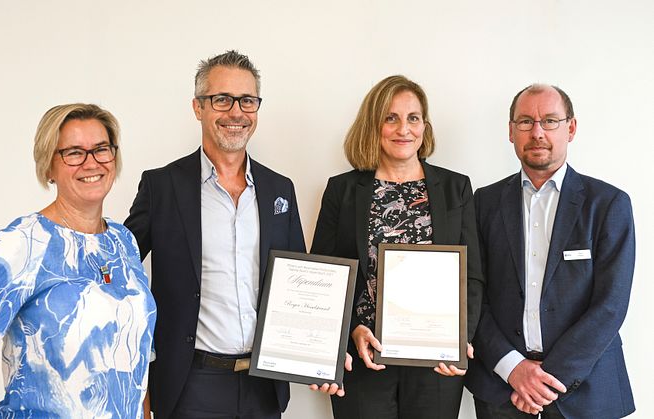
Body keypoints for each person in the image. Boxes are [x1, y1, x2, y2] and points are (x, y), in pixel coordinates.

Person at [124, 50, 347, 419]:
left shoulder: (279, 189)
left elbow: (302, 284)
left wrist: (319, 356)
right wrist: (136, 371)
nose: (236, 112)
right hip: (190, 382)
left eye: (247, 100)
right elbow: (123, 276)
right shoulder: (161, 187)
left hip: (265, 383)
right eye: (222, 99)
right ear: (198, 108)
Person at [0, 103, 156, 417]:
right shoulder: (25, 244)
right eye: (74, 152)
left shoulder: (123, 242)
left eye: (101, 149)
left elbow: (136, 358)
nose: (91, 162)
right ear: (49, 166)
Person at [310, 75, 484, 419]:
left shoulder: (455, 188)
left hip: (436, 361)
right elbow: (323, 278)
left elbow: (472, 277)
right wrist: (350, 332)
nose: (404, 129)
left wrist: (458, 340)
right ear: (373, 125)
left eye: (413, 118)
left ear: (425, 126)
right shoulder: (341, 191)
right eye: (391, 118)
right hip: (364, 358)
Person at [465, 84, 636, 419]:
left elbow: (610, 306)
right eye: (526, 122)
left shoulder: (608, 204)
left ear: (570, 128)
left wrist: (545, 379)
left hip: (587, 391)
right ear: (511, 132)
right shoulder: (483, 203)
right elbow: (472, 294)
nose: (538, 132)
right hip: (503, 390)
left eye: (550, 121)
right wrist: (514, 369)